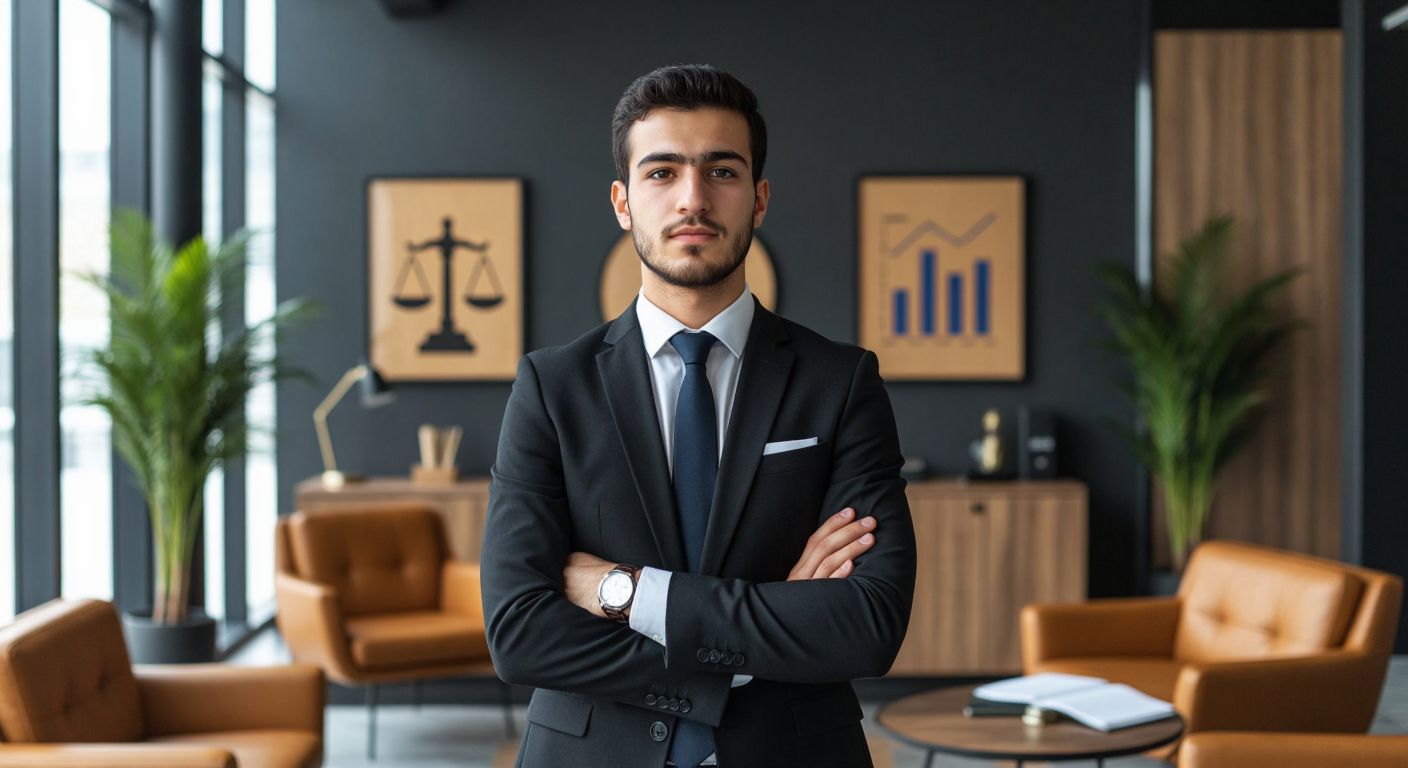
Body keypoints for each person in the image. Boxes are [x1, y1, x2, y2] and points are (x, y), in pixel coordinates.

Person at [481, 63, 916, 768]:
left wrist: (627, 593)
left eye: (722, 171)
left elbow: (867, 625)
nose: (693, 198)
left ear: (759, 199)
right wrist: (763, 630)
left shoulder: (840, 382)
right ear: (622, 202)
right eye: (662, 172)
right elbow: (519, 633)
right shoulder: (551, 387)